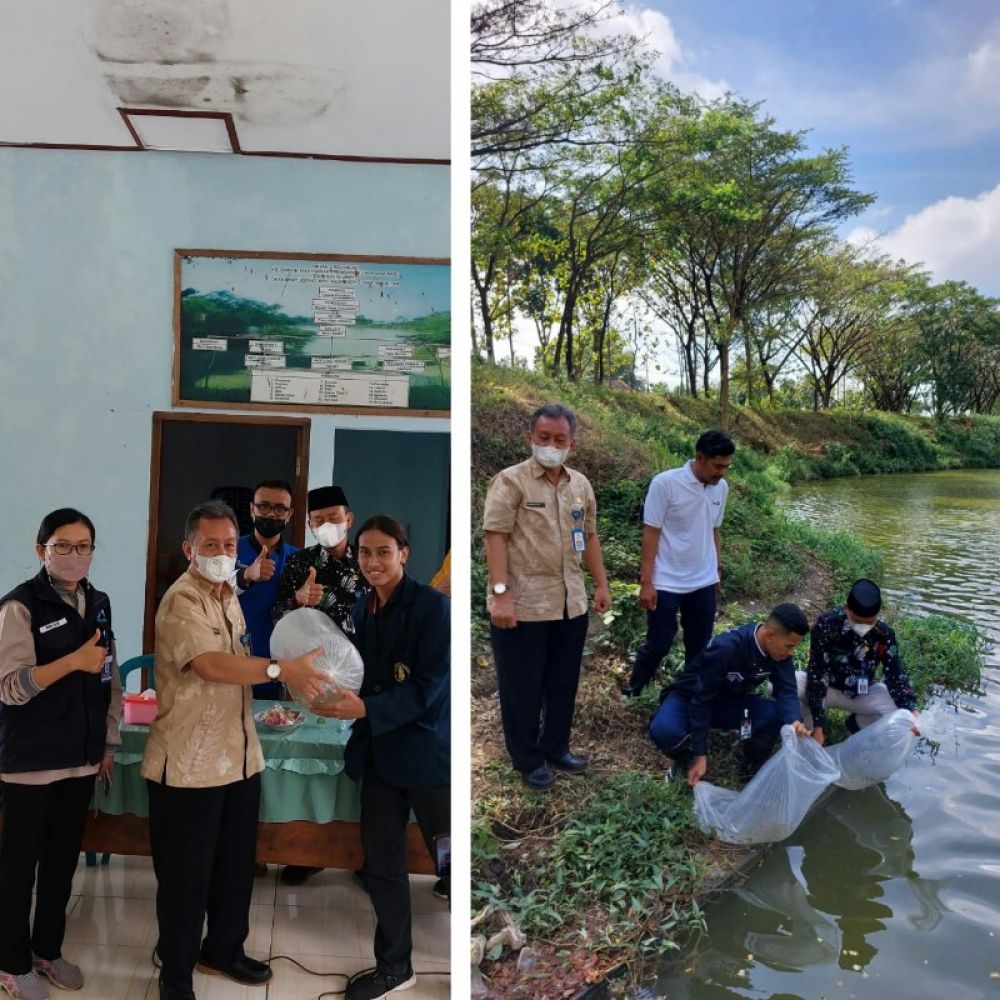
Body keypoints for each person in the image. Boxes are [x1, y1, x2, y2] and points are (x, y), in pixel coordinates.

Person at [141, 501, 328, 1000]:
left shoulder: (226, 596)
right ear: (189, 550)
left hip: (239, 758)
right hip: (188, 765)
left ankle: (223, 949)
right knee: (186, 880)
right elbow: (212, 666)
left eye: (228, 545)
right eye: (211, 546)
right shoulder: (182, 601)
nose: (223, 554)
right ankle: (175, 978)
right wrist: (280, 671)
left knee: (234, 866)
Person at [311, 515, 449, 1000]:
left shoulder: (434, 609)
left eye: (383, 552)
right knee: (383, 865)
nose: (373, 561)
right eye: (365, 553)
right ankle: (395, 966)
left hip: (429, 758)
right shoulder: (362, 607)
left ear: (404, 553)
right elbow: (356, 670)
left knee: (451, 863)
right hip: (379, 757)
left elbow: (431, 689)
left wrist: (366, 706)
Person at [0, 508, 122, 1000]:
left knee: (61, 863)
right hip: (29, 762)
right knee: (17, 867)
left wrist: (108, 743)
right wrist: (72, 661)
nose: (75, 555)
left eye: (84, 546)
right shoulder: (19, 607)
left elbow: (108, 674)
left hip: (80, 758)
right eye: (63, 546)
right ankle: (10, 963)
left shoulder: (100, 601)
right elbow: (9, 688)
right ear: (41, 551)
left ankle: (47, 950)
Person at [483, 402, 612, 790]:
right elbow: (495, 537)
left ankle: (556, 746)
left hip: (569, 603)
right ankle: (528, 758)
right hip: (522, 607)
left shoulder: (580, 485)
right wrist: (500, 595)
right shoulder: (511, 481)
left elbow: (588, 536)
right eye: (544, 438)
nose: (551, 445)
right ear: (531, 438)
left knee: (562, 682)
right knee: (522, 687)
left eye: (559, 439)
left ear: (572, 442)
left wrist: (601, 584)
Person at [272, 484, 367, 886]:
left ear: (350, 518)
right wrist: (297, 599)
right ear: (309, 525)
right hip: (308, 677)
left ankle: (363, 856)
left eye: (334, 518)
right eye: (318, 521)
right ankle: (306, 849)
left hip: (365, 678)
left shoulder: (371, 556)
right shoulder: (300, 563)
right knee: (309, 759)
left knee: (358, 761)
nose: (327, 526)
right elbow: (277, 613)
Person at [622, 429, 735, 697]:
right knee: (659, 641)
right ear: (699, 457)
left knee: (699, 644)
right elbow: (651, 533)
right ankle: (633, 690)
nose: (722, 473)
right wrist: (646, 581)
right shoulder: (665, 484)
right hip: (667, 580)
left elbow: (714, 529)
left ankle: (687, 693)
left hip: (702, 580)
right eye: (717, 465)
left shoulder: (721, 487)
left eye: (726, 467)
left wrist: (716, 567)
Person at [648, 603, 811, 785]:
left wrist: (794, 720)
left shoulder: (780, 654)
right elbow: (701, 699)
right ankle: (686, 758)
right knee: (664, 731)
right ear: (770, 634)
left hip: (731, 703)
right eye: (789, 646)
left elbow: (787, 689)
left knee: (776, 715)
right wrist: (700, 754)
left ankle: (751, 769)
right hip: (691, 698)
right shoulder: (726, 648)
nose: (791, 653)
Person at [798, 578, 918, 744]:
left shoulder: (883, 634)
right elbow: (817, 672)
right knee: (781, 687)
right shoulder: (826, 624)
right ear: (847, 608)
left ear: (877, 615)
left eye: (869, 621)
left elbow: (895, 675)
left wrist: (912, 711)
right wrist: (818, 726)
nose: (862, 626)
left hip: (861, 692)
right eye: (857, 620)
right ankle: (809, 725)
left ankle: (857, 725)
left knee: (901, 714)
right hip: (827, 687)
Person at [233, 479, 299, 700]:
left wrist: (302, 599)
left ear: (289, 515)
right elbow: (211, 593)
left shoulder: (298, 559)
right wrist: (246, 575)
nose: (271, 514)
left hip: (279, 665)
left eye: (280, 508)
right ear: (252, 509)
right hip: (232, 661)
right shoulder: (230, 549)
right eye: (263, 506)